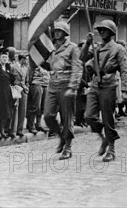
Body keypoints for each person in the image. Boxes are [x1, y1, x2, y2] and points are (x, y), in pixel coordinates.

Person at [81, 20, 127, 162]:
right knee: (89, 116)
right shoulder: (96, 47)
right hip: (95, 85)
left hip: (109, 85)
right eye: (100, 30)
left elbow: (125, 70)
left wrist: (125, 90)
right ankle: (104, 138)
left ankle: (112, 149)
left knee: (108, 118)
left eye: (105, 30)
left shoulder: (118, 49)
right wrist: (87, 44)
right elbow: (81, 59)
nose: (101, 32)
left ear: (112, 32)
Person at [42, 21, 81, 159]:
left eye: (60, 31)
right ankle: (61, 137)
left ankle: (68, 147)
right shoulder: (51, 47)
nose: (57, 33)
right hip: (53, 84)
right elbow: (48, 65)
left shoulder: (72, 48)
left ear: (65, 33)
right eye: (55, 31)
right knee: (48, 115)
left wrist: (73, 86)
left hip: (66, 84)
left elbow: (77, 68)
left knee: (67, 118)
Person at [10, 52, 29, 138]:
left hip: (23, 90)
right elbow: (10, 79)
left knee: (23, 110)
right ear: (22, 59)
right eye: (25, 59)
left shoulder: (25, 68)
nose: (26, 61)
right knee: (15, 110)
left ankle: (19, 129)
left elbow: (27, 80)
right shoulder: (13, 67)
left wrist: (26, 87)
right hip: (16, 89)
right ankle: (12, 130)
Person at [28, 64, 48, 134]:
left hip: (45, 84)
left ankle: (38, 124)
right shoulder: (35, 60)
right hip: (36, 84)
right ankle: (31, 125)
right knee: (36, 106)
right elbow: (30, 74)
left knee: (43, 106)